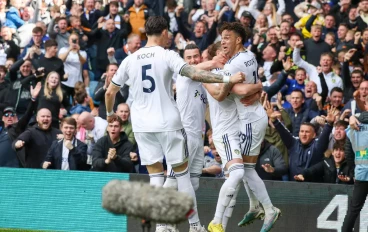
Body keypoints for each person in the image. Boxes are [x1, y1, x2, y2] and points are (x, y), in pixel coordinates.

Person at [105, 16, 244, 232]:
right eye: (168, 33)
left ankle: (161, 226)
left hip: (142, 126)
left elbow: (110, 91)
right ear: (162, 32)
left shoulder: (130, 60)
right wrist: (227, 79)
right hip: (168, 123)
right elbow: (193, 72)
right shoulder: (167, 55)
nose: (169, 36)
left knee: (155, 177)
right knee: (182, 176)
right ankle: (195, 226)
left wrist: (109, 113)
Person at [207, 22, 280, 232]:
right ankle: (255, 205)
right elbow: (248, 86)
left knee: (245, 170)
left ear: (238, 39)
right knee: (246, 169)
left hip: (249, 120)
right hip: (254, 116)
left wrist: (256, 87)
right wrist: (259, 87)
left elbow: (237, 90)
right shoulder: (249, 55)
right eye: (221, 39)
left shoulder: (231, 66)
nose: (223, 42)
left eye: (227, 38)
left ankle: (267, 208)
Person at [341, 107, 368, 232]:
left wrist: (353, 171)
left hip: (361, 174)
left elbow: (348, 153)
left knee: (353, 210)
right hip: (361, 173)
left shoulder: (352, 127)